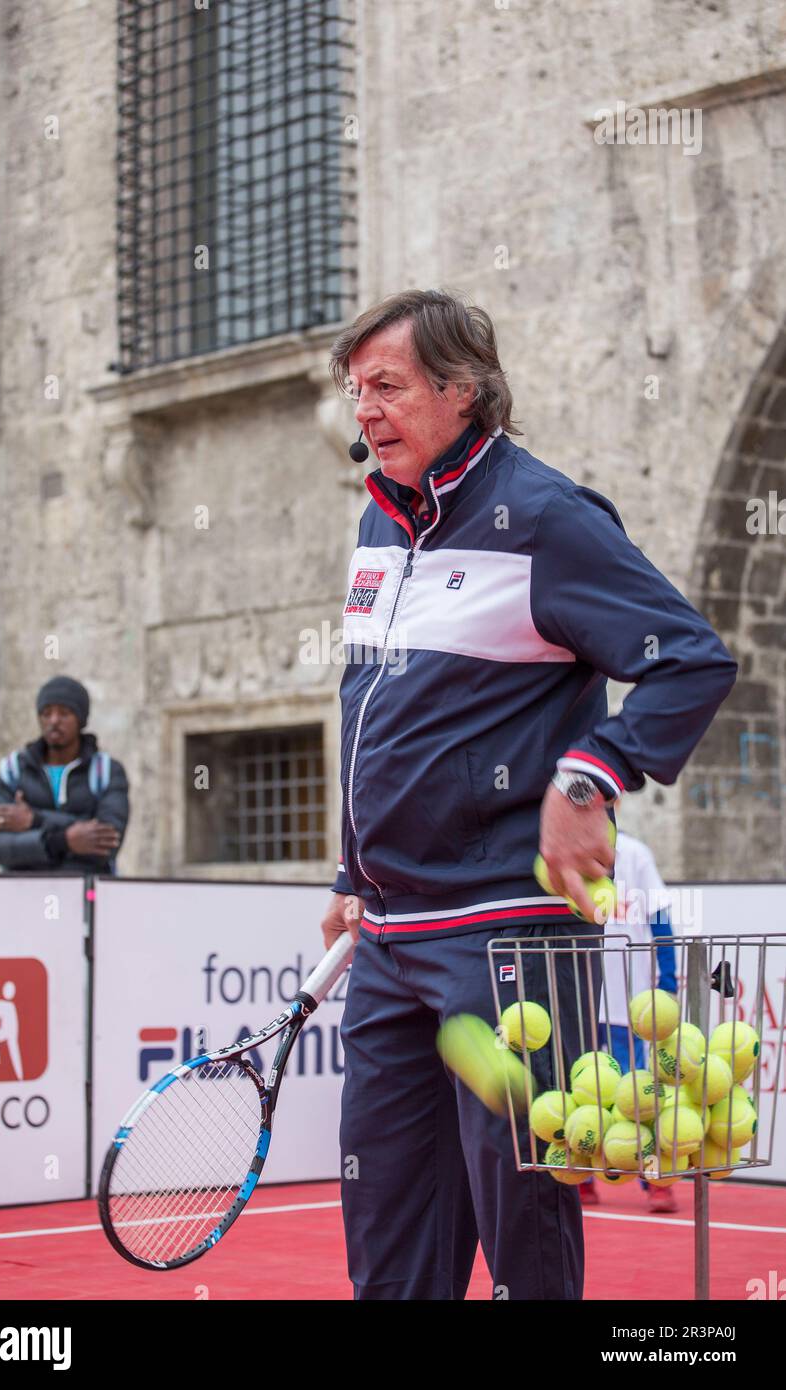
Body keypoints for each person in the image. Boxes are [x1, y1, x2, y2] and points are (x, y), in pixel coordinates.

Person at [319, 289, 737, 1301]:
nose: (363, 410)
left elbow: (687, 658)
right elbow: (369, 710)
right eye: (353, 389)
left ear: (462, 390)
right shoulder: (379, 526)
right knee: (384, 1221)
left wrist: (588, 775)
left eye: (387, 386)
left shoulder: (546, 518)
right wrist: (349, 866)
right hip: (388, 939)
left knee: (522, 1223)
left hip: (505, 939)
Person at [577, 829, 678, 1213]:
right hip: (580, 993)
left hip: (627, 1000)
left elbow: (660, 917)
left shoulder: (635, 853)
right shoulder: (566, 848)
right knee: (581, 1087)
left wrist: (666, 980)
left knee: (639, 1094)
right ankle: (581, 1177)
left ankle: (655, 1180)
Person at [0, 675, 128, 875]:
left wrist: (34, 821)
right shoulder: (14, 770)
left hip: (83, 895)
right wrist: (63, 841)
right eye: (46, 713)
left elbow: (107, 842)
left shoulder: (106, 771)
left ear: (81, 719)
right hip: (22, 892)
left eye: (64, 713)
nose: (53, 721)